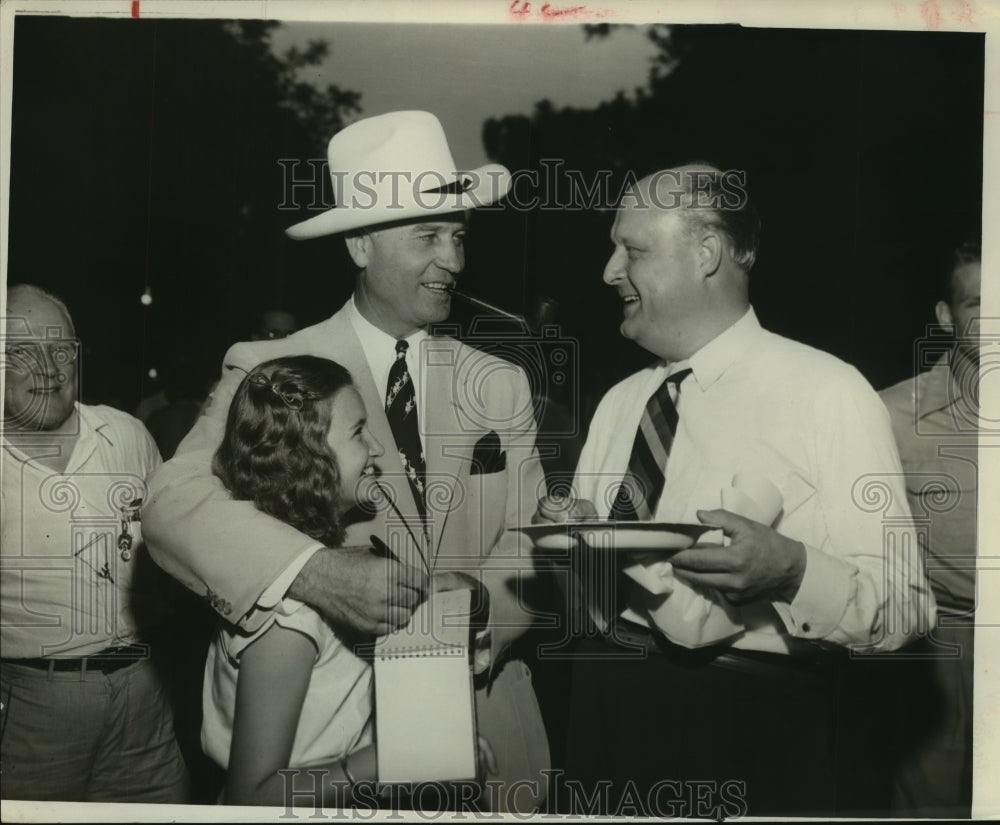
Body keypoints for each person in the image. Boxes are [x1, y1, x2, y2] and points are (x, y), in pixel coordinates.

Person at [143, 111, 550, 813]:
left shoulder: (502, 382)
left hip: (493, 736)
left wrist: (483, 613)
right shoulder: (272, 367)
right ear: (360, 244)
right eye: (427, 235)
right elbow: (170, 502)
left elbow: (533, 545)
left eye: (458, 234)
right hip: (343, 761)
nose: (452, 259)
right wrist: (318, 573)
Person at [536, 165, 935, 817]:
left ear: (707, 253)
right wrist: (570, 537)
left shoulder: (827, 392)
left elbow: (907, 608)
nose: (609, 272)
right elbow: (590, 600)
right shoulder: (620, 402)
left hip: (746, 727)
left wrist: (792, 571)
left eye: (632, 250)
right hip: (600, 702)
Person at [1, 284, 189, 803]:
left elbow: (173, 545)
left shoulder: (126, 434)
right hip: (34, 708)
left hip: (145, 688)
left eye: (61, 349)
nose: (50, 369)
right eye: (21, 351)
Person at [879, 239, 980, 818]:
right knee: (931, 804)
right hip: (942, 647)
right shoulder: (892, 415)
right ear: (945, 317)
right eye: (977, 305)